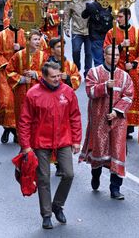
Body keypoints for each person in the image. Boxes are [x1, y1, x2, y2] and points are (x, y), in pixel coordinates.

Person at [19, 62, 82, 230]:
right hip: (40, 143)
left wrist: (76, 140)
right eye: (53, 77)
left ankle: (57, 205)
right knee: (43, 178)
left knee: (68, 174)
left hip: (63, 141)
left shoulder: (67, 92)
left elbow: (75, 116)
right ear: (44, 77)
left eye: (58, 76)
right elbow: (24, 121)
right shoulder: (33, 94)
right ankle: (46, 215)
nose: (57, 79)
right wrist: (26, 146)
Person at [79, 45, 134, 200]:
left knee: (117, 150)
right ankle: (95, 174)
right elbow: (90, 91)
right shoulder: (94, 72)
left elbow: (129, 95)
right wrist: (104, 86)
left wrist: (116, 111)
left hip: (118, 120)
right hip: (99, 118)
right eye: (112, 54)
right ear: (105, 55)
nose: (115, 57)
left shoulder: (124, 76)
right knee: (99, 149)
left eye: (117, 55)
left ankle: (115, 187)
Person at [103, 7, 139, 138]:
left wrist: (134, 64)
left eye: (120, 17)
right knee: (116, 95)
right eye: (117, 17)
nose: (118, 19)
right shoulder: (112, 32)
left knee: (132, 96)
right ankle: (116, 122)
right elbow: (106, 49)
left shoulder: (138, 33)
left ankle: (129, 126)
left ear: (128, 17)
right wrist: (120, 46)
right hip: (117, 69)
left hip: (131, 70)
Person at [7, 30, 50, 126]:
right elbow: (9, 72)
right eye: (35, 39)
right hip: (22, 93)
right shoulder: (18, 55)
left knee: (38, 118)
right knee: (22, 118)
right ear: (28, 40)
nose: (38, 42)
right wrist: (21, 79)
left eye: (39, 39)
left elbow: (48, 74)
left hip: (39, 92)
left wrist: (35, 74)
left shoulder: (44, 56)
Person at [0, 24, 27, 144]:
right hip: (6, 74)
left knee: (19, 105)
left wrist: (21, 48)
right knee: (5, 103)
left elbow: (33, 50)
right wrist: (8, 66)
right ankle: (8, 128)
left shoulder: (25, 33)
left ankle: (15, 132)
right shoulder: (2, 35)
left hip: (20, 73)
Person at [64, 0, 92, 78]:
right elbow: (67, 15)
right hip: (77, 31)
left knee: (89, 53)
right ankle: (77, 68)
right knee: (76, 50)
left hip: (89, 31)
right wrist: (66, 27)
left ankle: (87, 72)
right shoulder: (72, 0)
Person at [82, 0, 113, 67]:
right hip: (109, 36)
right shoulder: (111, 5)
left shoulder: (91, 6)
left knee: (98, 60)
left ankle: (100, 78)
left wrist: (93, 1)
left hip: (95, 36)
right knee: (109, 59)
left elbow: (83, 15)